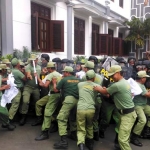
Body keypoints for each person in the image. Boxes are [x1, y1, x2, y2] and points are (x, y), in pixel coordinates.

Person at [93, 65, 137, 150]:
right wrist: (106, 90)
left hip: (127, 115)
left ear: (118, 73)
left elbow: (104, 91)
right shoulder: (124, 82)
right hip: (127, 113)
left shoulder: (117, 85)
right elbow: (109, 93)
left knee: (122, 140)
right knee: (124, 137)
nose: (111, 77)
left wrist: (98, 88)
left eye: (112, 75)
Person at [52, 66, 80, 149]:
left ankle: (63, 141)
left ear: (67, 73)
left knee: (61, 118)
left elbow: (56, 90)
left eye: (64, 72)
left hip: (69, 100)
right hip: (78, 101)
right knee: (73, 117)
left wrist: (54, 82)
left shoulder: (64, 80)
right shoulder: (78, 80)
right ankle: (73, 134)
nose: (63, 73)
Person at [34, 62, 62, 140]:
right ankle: (55, 125)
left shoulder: (50, 75)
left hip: (53, 95)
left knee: (47, 112)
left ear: (50, 68)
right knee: (56, 112)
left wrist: (40, 82)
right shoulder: (59, 75)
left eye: (48, 68)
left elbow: (45, 85)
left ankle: (45, 132)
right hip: (60, 95)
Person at [77, 70, 99, 150]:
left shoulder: (80, 84)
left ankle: (81, 144)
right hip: (91, 109)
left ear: (86, 77)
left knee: (81, 127)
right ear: (94, 78)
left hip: (80, 109)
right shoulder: (96, 86)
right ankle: (90, 143)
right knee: (90, 125)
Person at [19, 54, 41, 126]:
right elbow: (28, 73)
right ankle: (23, 116)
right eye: (32, 60)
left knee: (37, 102)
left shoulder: (39, 67)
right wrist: (29, 76)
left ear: (37, 60)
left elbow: (41, 74)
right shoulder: (28, 66)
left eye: (34, 60)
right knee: (25, 101)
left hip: (36, 88)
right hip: (28, 87)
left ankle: (38, 116)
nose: (33, 61)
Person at [130, 70, 150, 146]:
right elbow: (147, 95)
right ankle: (134, 137)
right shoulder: (138, 85)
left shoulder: (138, 83)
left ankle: (146, 132)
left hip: (144, 105)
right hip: (137, 105)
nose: (146, 79)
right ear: (142, 78)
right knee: (143, 120)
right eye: (145, 77)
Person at [8, 58, 26, 124]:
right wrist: (24, 72)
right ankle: (9, 120)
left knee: (13, 104)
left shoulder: (11, 71)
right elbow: (25, 79)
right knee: (15, 104)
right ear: (17, 64)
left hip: (12, 89)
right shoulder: (17, 72)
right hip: (17, 90)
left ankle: (12, 118)